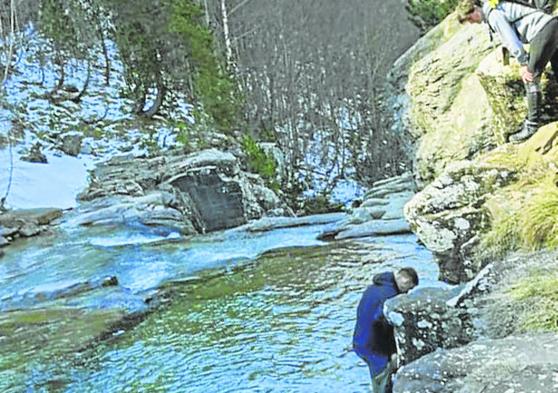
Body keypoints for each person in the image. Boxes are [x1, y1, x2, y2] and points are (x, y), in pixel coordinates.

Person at [457, 0, 558, 143]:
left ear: (475, 10)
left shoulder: (493, 15)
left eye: (469, 19)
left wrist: (523, 63)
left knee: (530, 78)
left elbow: (511, 39)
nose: (471, 23)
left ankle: (532, 126)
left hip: (541, 31)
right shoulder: (495, 8)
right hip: (553, 24)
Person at [353, 267, 419, 393]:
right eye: (408, 288)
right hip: (374, 347)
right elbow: (384, 325)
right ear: (404, 281)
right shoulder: (390, 297)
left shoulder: (375, 287)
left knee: (381, 376)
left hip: (360, 340)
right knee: (381, 379)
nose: (407, 293)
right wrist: (392, 352)